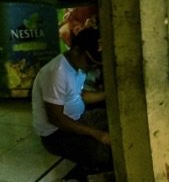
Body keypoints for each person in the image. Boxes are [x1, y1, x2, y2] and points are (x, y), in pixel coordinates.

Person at [31, 27, 112, 178]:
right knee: (100, 155)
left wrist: (109, 94)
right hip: (55, 133)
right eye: (89, 60)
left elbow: (79, 95)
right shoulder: (56, 73)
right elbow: (57, 119)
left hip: (78, 118)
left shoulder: (77, 66)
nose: (92, 64)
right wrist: (98, 134)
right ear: (75, 50)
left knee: (115, 118)